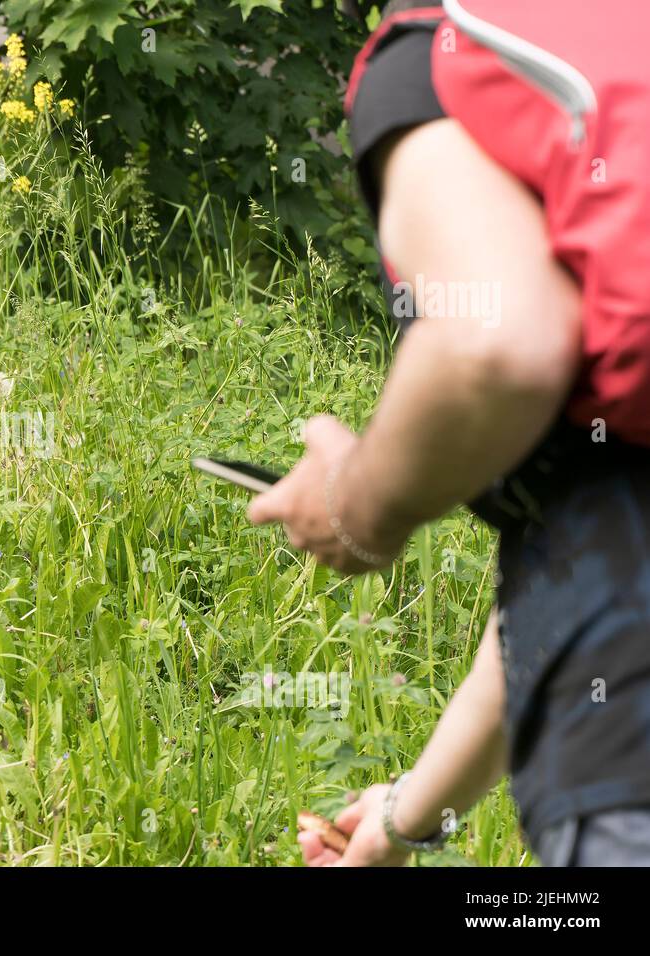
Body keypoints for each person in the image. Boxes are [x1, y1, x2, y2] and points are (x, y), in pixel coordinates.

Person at [248, 0, 650, 866]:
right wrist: (401, 821)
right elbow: (568, 587)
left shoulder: (457, 53)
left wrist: (356, 508)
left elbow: (493, 346)